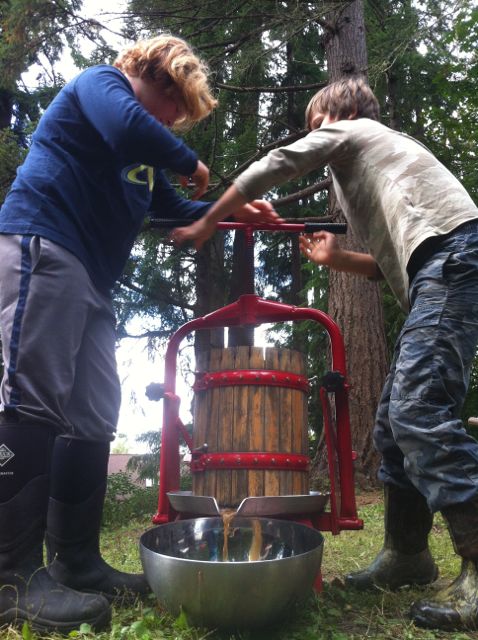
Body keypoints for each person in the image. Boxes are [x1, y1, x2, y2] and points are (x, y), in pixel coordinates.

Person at [172, 76, 478, 632]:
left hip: (455, 262)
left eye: (318, 124)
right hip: (439, 270)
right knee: (391, 427)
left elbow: (284, 160)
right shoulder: (381, 174)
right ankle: (407, 557)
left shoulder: (357, 130)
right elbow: (392, 267)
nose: (315, 136)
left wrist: (214, 215)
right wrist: (340, 259)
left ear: (340, 115)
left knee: (418, 415)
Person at [0, 34, 279, 634]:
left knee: (94, 413)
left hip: (91, 281)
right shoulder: (99, 86)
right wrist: (193, 161)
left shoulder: (142, 161)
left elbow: (178, 209)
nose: (176, 119)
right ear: (156, 75)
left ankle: (75, 563)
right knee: (33, 397)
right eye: (174, 104)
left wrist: (234, 206)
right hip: (43, 245)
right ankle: (10, 579)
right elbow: (130, 127)